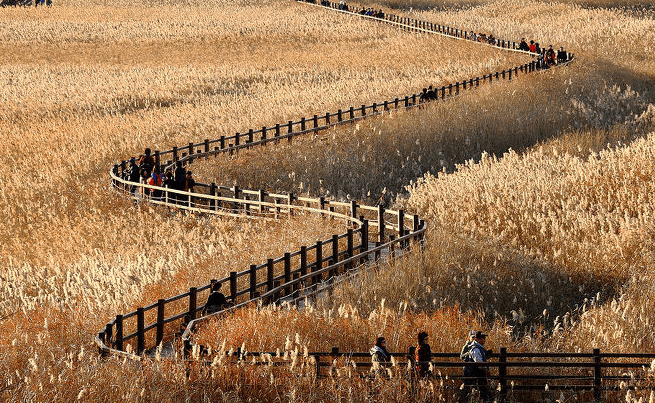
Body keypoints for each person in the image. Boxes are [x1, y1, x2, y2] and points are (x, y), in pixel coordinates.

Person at [459, 331, 491, 403]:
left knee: (479, 390)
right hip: (477, 372)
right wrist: (486, 370)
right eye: (483, 338)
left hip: (476, 372)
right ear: (478, 339)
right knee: (481, 390)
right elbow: (478, 362)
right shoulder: (475, 348)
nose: (485, 339)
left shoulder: (478, 347)